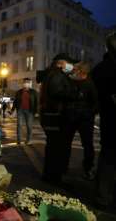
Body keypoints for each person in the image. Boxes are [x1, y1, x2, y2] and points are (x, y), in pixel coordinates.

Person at [40, 53, 81, 186]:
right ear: (61, 63)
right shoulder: (57, 75)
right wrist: (75, 94)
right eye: (70, 63)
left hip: (53, 116)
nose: (72, 66)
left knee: (54, 147)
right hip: (56, 117)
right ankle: (53, 177)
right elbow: (56, 92)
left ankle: (51, 175)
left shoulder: (55, 74)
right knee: (56, 148)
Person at [92, 33, 116, 208]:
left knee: (107, 157)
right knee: (108, 158)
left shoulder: (100, 68)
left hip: (109, 120)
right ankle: (103, 196)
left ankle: (102, 195)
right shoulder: (107, 68)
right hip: (112, 119)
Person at [63, 62, 98, 180]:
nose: (74, 70)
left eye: (76, 69)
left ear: (82, 71)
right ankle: (65, 167)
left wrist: (88, 113)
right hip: (73, 117)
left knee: (87, 145)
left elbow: (95, 103)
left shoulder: (89, 84)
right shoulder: (73, 82)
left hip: (83, 119)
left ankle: (88, 168)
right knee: (67, 143)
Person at [12, 78, 38, 144]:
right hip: (20, 110)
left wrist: (36, 112)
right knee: (19, 125)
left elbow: (36, 102)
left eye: (27, 82)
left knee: (29, 126)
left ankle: (28, 140)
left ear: (29, 84)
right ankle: (19, 140)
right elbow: (15, 102)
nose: (25, 84)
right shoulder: (19, 92)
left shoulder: (34, 92)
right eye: (24, 82)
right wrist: (12, 110)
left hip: (30, 111)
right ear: (23, 83)